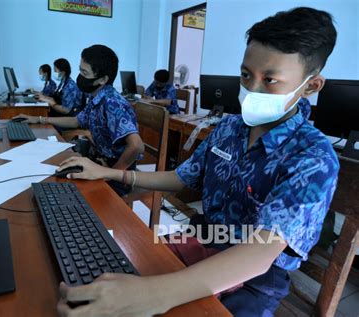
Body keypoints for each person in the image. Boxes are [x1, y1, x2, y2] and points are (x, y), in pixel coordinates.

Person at [54, 7, 339, 316]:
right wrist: (110, 173)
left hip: (254, 275)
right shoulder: (231, 127)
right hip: (203, 237)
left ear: (311, 85)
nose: (252, 89)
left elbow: (260, 252)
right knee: (105, 266)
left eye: (270, 80)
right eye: (246, 75)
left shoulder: (314, 158)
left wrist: (153, 295)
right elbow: (183, 177)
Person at [14, 45, 144, 196]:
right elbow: (76, 121)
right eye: (79, 70)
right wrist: (39, 119)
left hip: (117, 173)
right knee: (57, 175)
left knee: (66, 194)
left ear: (102, 79)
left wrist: (110, 173)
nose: (80, 77)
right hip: (101, 161)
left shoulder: (112, 103)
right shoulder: (97, 97)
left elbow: (136, 146)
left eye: (84, 72)